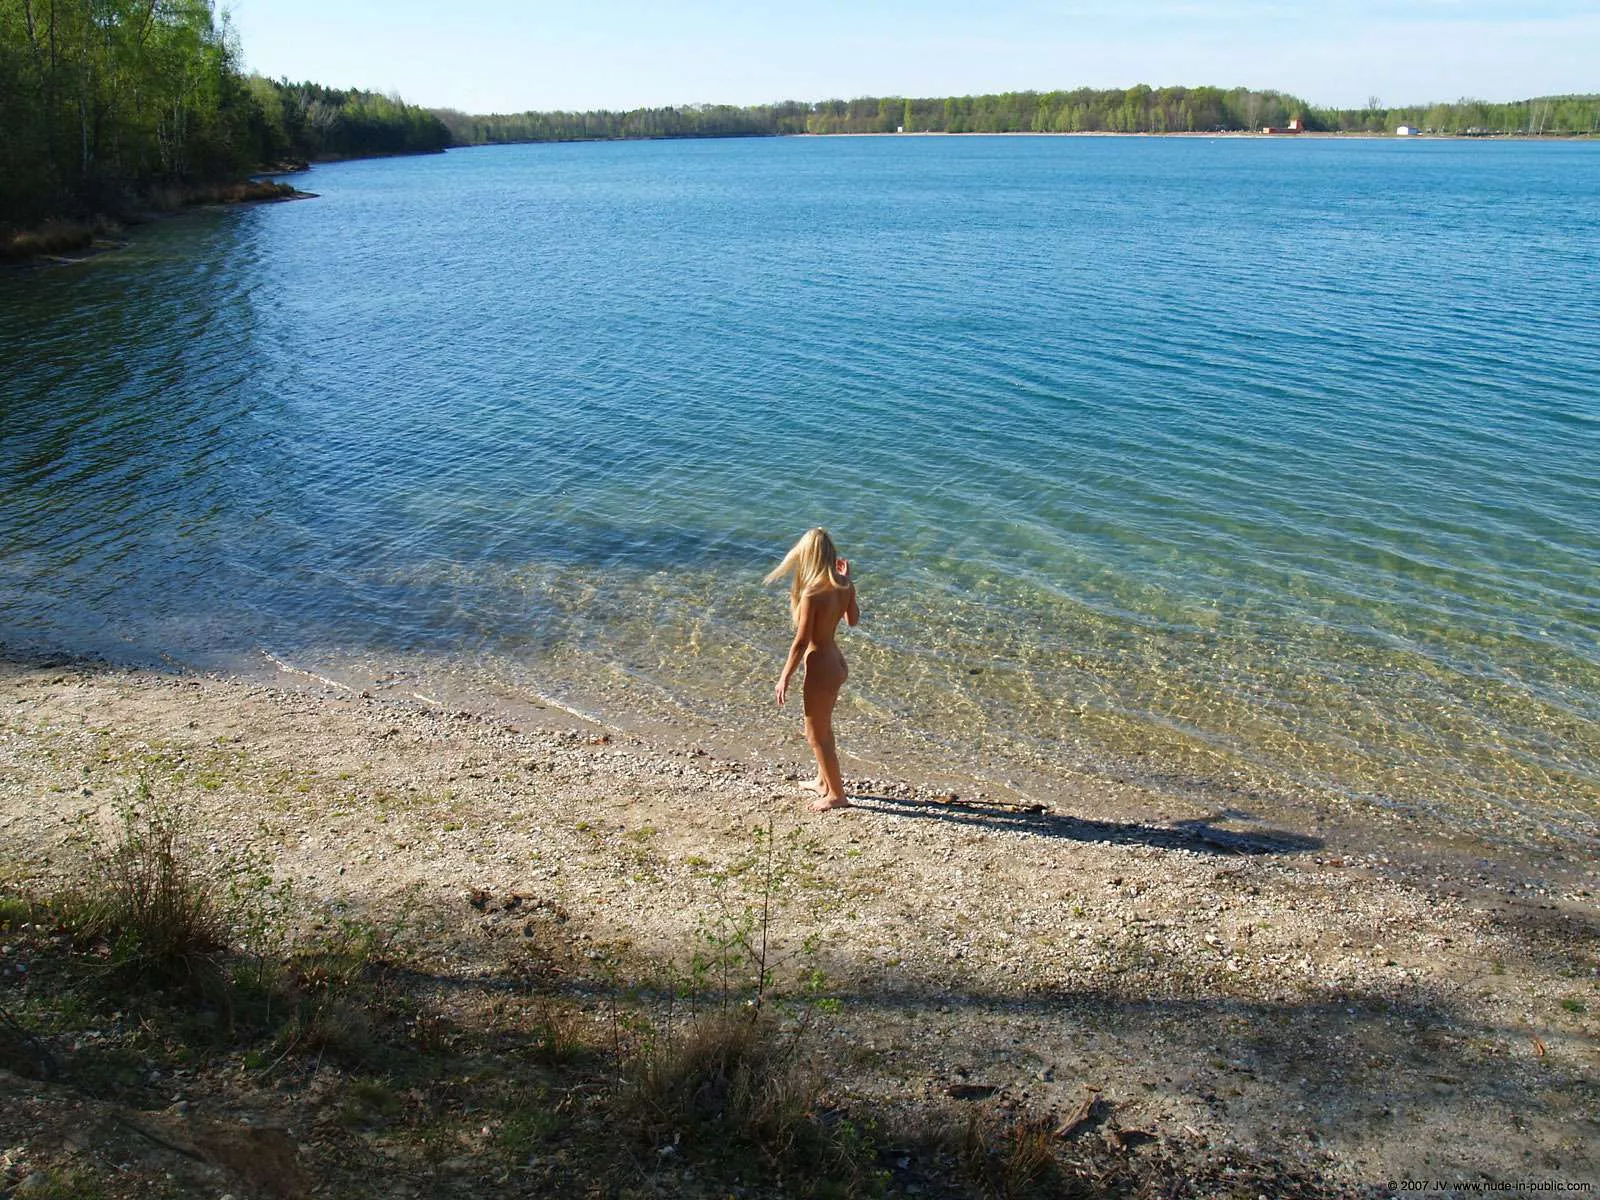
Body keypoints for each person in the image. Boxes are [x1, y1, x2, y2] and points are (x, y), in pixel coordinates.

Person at [766, 528, 860, 812]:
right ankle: (823, 782)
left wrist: (784, 676)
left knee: (815, 734)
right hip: (836, 662)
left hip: (820, 665)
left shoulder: (812, 592)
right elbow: (853, 620)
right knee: (823, 728)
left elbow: (801, 641)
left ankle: (837, 796)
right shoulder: (844, 584)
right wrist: (849, 580)